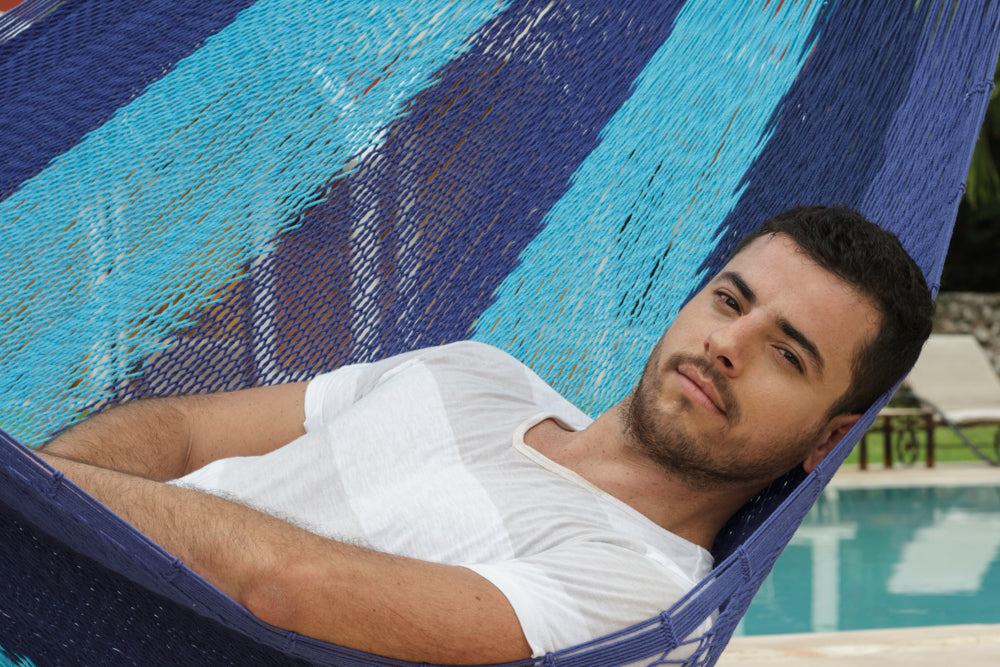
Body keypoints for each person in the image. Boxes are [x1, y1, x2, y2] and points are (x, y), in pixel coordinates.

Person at [39, 205, 933, 663]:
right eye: (730, 300)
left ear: (827, 440)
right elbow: (186, 427)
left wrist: (43, 499)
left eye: (787, 354)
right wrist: (35, 502)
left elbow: (288, 590)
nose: (728, 345)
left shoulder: (643, 593)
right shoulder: (477, 370)